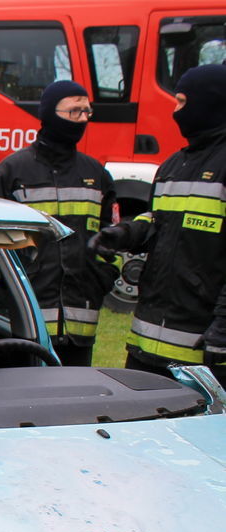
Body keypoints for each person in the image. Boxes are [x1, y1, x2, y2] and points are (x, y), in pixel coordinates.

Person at [89, 64, 226, 385]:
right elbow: (158, 221)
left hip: (201, 345)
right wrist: (122, 234)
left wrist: (223, 328)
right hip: (146, 340)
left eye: (181, 101)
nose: (175, 111)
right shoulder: (175, 164)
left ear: (210, 102)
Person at [0, 80, 118, 366]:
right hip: (25, 319)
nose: (83, 119)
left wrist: (102, 278)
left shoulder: (96, 174)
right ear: (48, 114)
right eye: (74, 112)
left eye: (87, 112)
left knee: (74, 402)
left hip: (79, 323)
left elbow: (110, 237)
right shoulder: (11, 172)